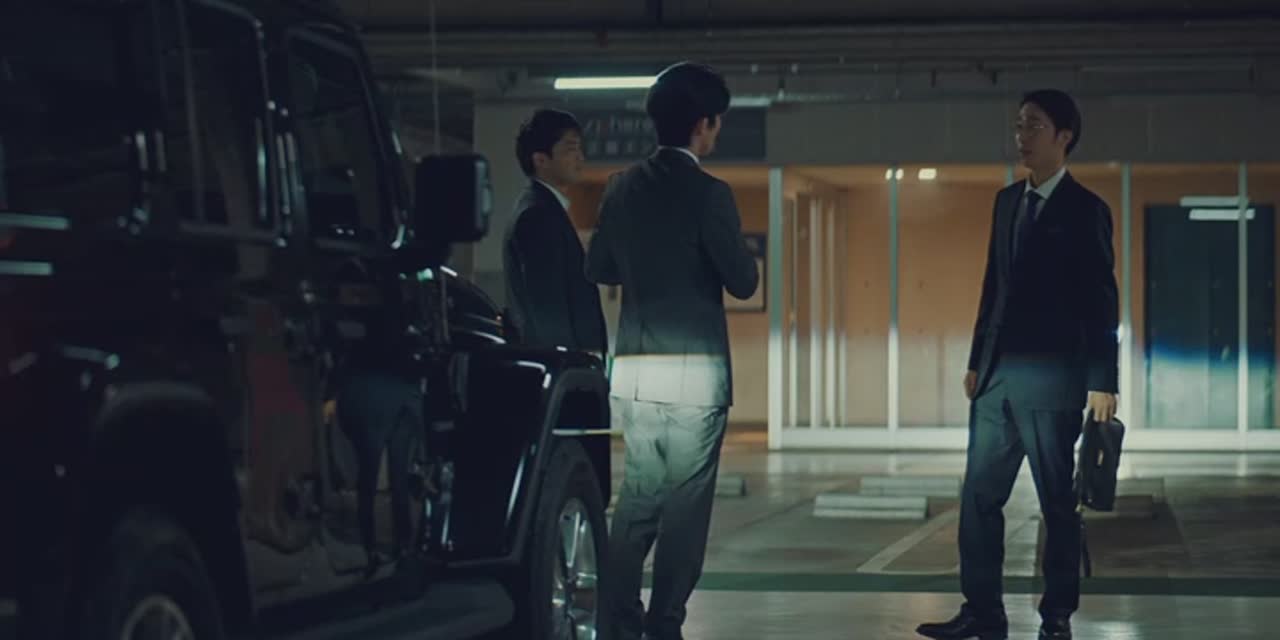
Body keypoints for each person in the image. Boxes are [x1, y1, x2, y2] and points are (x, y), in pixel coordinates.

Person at [916, 89, 1119, 640]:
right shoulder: (1007, 202)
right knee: (979, 498)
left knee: (1058, 504)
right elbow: (994, 287)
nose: (1021, 136)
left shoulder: (1087, 210)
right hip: (996, 380)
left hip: (1053, 383)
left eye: (1034, 126)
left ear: (1064, 137)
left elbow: (1102, 299)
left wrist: (1103, 379)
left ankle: (1057, 618)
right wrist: (976, 360)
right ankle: (982, 611)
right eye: (1018, 125)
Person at [586, 61, 759, 640]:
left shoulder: (620, 186)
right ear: (703, 124)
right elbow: (743, 281)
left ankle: (617, 620)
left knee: (638, 499)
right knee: (685, 509)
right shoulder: (710, 194)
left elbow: (599, 267)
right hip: (694, 377)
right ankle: (665, 625)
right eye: (717, 122)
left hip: (635, 371)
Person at [502, 108, 607, 355]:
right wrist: (568, 364)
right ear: (541, 160)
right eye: (571, 149)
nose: (580, 157)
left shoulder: (543, 209)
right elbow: (547, 307)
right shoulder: (537, 215)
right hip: (562, 362)